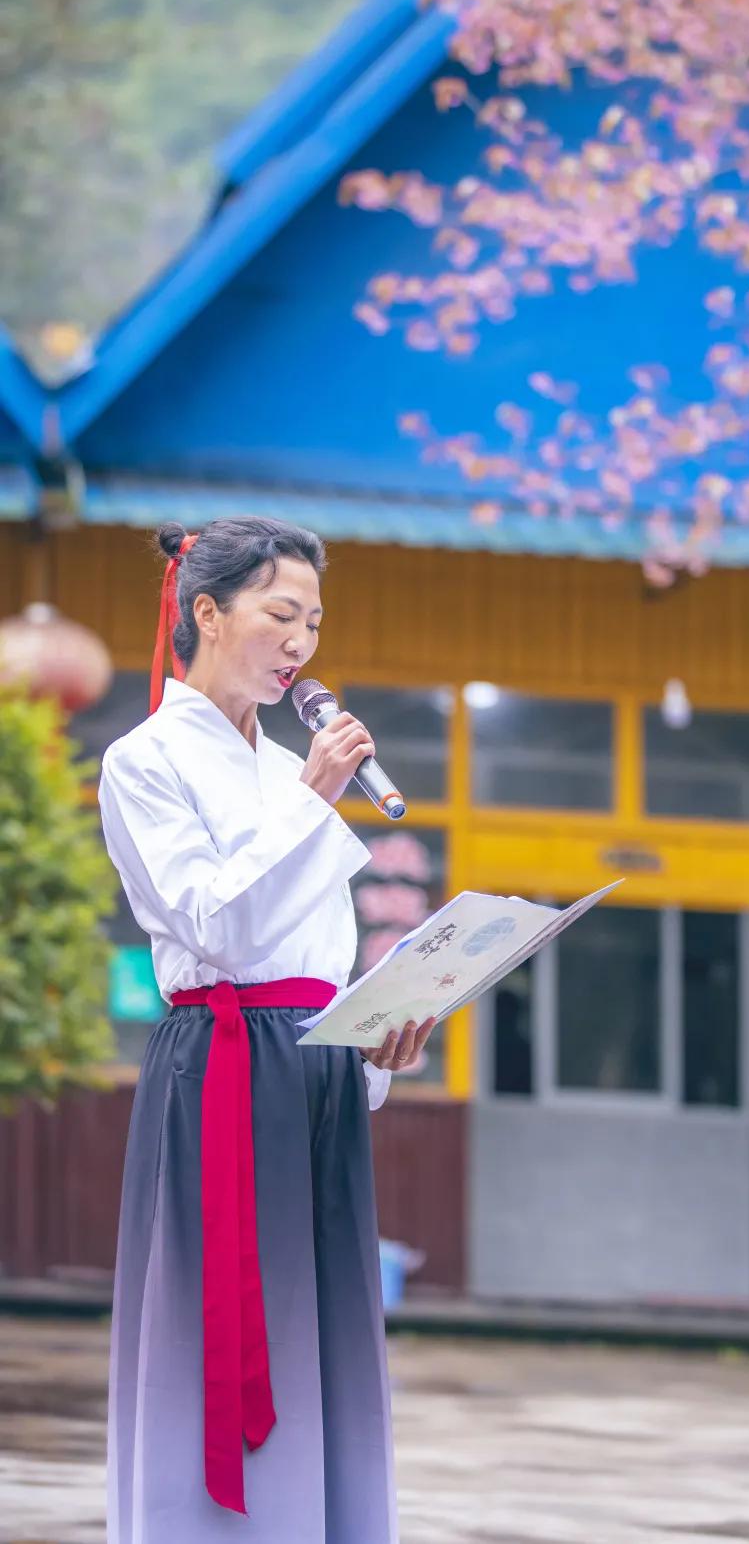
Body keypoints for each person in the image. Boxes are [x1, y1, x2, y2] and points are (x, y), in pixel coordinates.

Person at [98, 515, 435, 1544]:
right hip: (224, 1066)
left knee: (319, 1335)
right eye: (281, 613)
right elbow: (217, 924)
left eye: (315, 622)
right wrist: (313, 796)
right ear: (206, 611)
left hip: (313, 1069)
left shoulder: (286, 765)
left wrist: (375, 1046)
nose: (302, 641)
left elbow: (311, 959)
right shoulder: (144, 759)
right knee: (228, 1333)